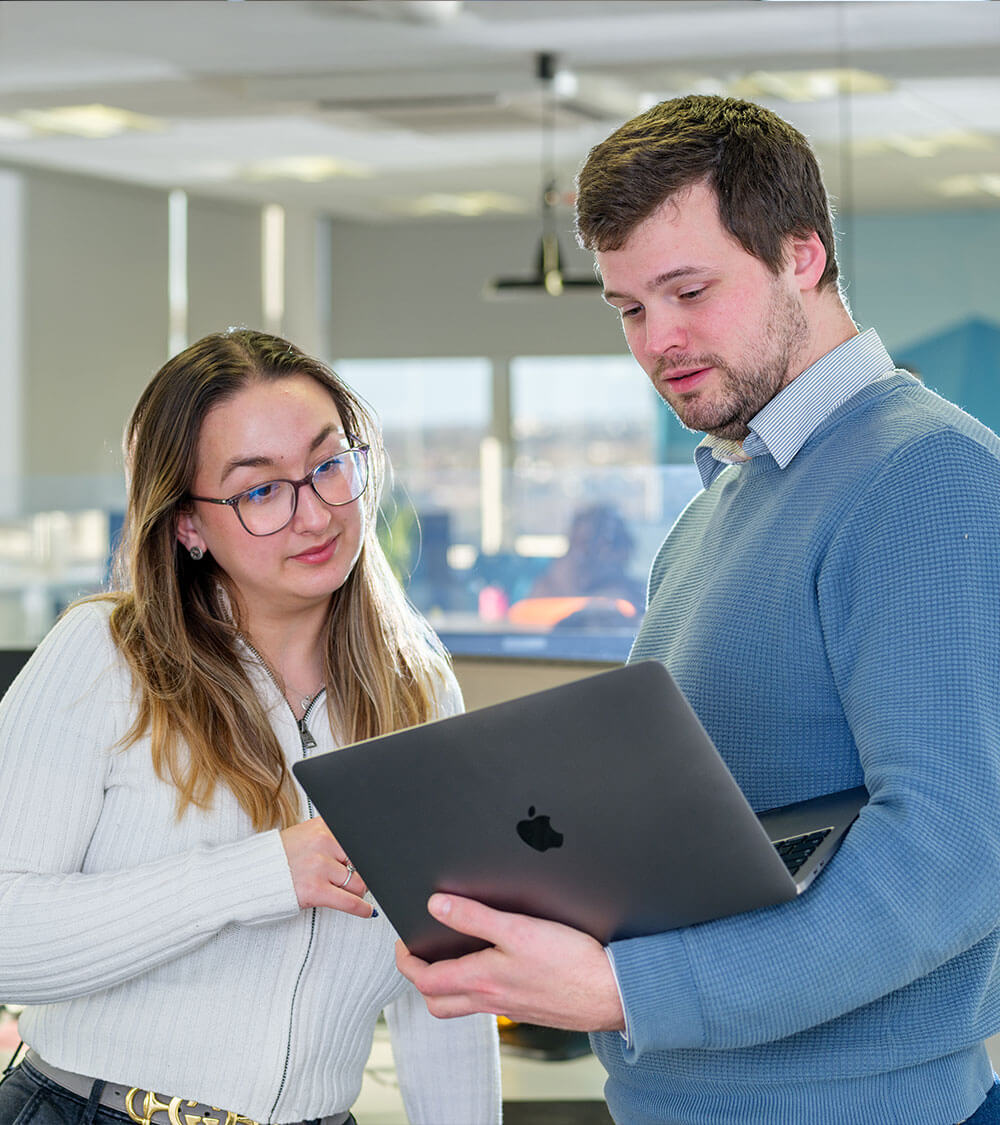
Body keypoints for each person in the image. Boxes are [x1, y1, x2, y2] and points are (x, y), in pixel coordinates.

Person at [397, 95, 1000, 1124]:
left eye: (688, 291)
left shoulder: (926, 477)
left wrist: (630, 991)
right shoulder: (725, 498)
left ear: (801, 256)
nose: (658, 341)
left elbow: (951, 855)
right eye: (630, 309)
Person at [0, 329, 501, 1125]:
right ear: (187, 526)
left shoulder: (419, 691)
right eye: (260, 490)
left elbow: (443, 977)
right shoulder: (103, 655)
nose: (315, 514)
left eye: (329, 463)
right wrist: (259, 874)